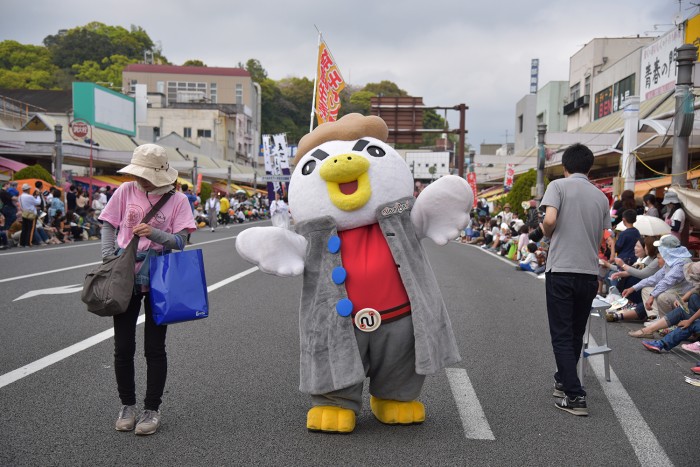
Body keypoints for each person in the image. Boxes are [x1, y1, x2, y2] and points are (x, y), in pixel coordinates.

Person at [98, 144, 196, 436]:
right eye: (138, 174)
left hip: (160, 278)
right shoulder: (126, 191)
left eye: (146, 176)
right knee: (123, 347)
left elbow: (180, 242)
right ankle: (127, 405)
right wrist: (109, 256)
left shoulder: (178, 200)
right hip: (126, 274)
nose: (141, 180)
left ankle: (151, 409)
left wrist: (153, 233)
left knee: (154, 348)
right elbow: (108, 224)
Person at [540, 143, 610, 416]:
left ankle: (575, 395)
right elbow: (605, 235)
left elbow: (550, 221)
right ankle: (563, 378)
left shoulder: (558, 187)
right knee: (575, 332)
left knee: (560, 334)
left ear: (565, 167)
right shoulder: (601, 197)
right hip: (589, 273)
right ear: (589, 167)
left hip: (561, 270)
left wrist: (545, 227)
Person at [621, 234, 693, 328]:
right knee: (646, 289)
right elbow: (655, 278)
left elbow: (667, 281)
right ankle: (655, 318)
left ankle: (668, 323)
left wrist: (652, 296)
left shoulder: (682, 262)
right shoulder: (672, 260)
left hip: (683, 296)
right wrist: (633, 288)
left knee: (662, 297)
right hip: (673, 292)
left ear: (667, 249)